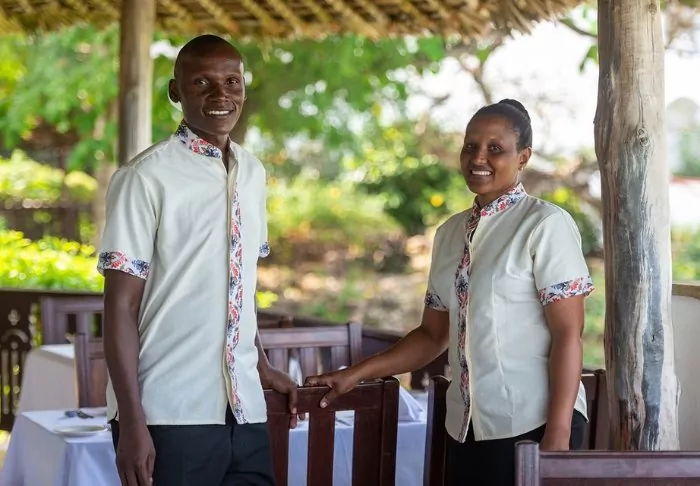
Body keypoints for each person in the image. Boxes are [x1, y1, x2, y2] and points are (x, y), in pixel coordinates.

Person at [306, 99, 593, 486]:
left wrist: (557, 436)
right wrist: (356, 374)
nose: (479, 157)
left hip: (533, 425)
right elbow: (432, 335)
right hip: (464, 427)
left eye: (495, 148)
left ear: (523, 157)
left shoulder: (545, 225)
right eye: (470, 146)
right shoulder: (448, 235)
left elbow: (568, 334)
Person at [99, 34, 297, 486]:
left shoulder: (253, 172)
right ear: (176, 91)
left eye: (232, 81)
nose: (220, 94)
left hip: (245, 409)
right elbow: (120, 306)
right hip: (168, 413)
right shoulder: (143, 177)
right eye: (202, 82)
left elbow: (240, 288)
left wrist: (261, 366)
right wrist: (131, 421)